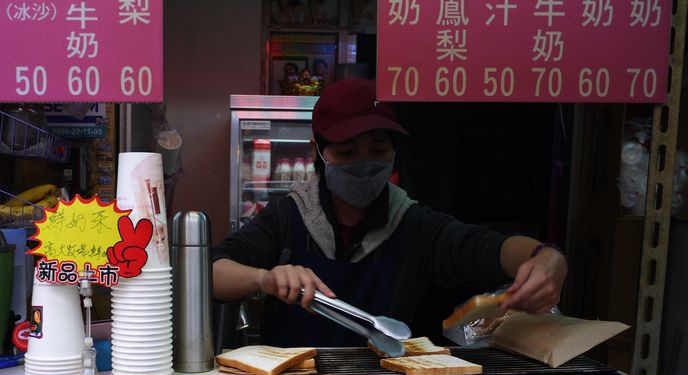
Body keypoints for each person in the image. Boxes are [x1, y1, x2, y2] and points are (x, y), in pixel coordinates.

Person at [212, 78, 568, 347]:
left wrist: (546, 257)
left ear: (395, 152)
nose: (363, 164)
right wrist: (264, 279)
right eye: (346, 153)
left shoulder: (415, 224)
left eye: (378, 150)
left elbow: (492, 249)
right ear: (316, 151)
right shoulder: (288, 215)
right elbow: (213, 271)